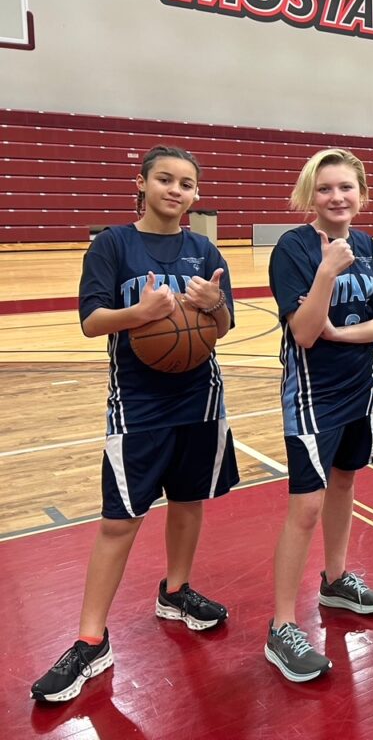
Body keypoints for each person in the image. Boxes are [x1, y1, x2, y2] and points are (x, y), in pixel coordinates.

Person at [31, 146, 239, 703]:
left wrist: (216, 305)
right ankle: (90, 640)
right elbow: (90, 321)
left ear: (196, 195)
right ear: (142, 183)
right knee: (119, 521)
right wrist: (140, 315)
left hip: (200, 401)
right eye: (165, 179)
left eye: (187, 184)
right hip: (139, 406)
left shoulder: (204, 250)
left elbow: (223, 326)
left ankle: (176, 591)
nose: (176, 190)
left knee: (189, 502)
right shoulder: (113, 245)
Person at [264, 149, 373, 682]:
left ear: (361, 194)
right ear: (309, 195)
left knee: (345, 482)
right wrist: (325, 271)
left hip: (358, 391)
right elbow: (303, 331)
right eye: (325, 189)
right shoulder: (292, 249)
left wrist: (342, 334)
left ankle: (336, 579)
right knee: (306, 506)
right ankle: (281, 626)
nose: (336, 197)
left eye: (346, 187)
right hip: (312, 397)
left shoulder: (369, 247)